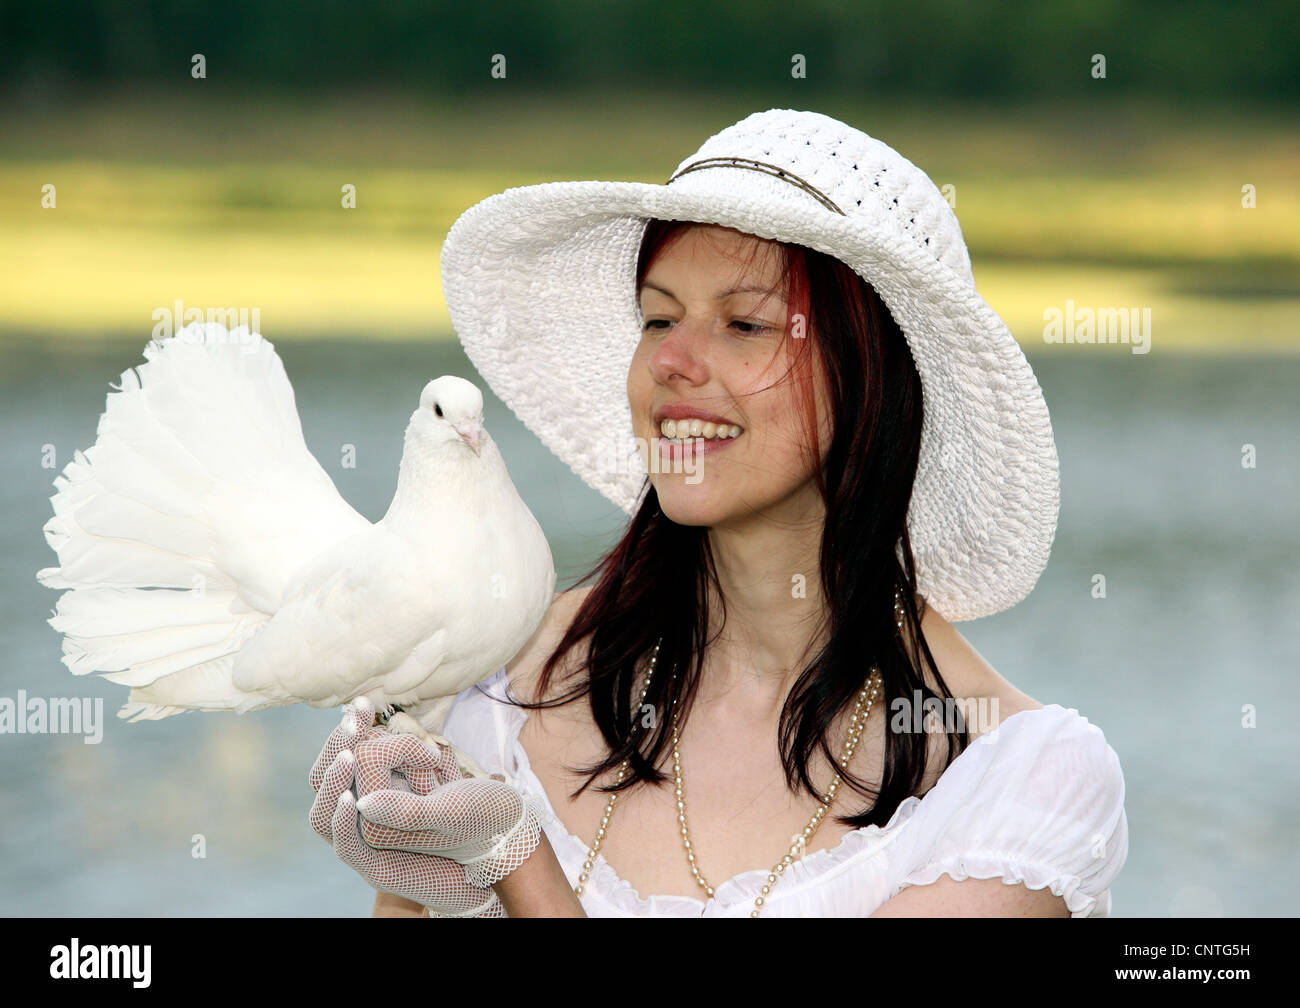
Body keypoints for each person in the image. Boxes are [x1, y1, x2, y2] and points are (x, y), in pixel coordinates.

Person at [309, 108, 1128, 918]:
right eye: (658, 317)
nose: (670, 361)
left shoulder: (1016, 780)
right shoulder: (501, 691)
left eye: (745, 324)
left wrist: (514, 867)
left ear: (871, 377)